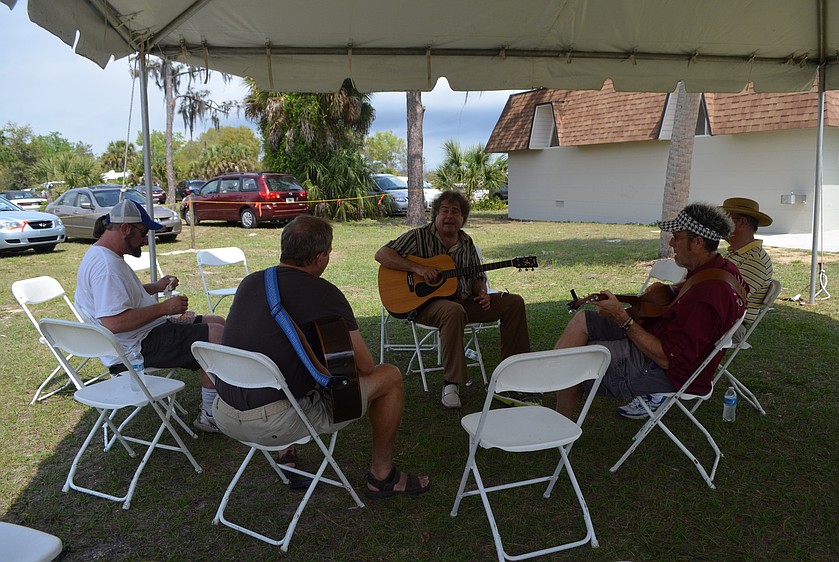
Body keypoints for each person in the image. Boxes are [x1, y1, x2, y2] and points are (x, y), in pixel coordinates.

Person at [214, 215, 430, 499]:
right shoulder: (324, 292)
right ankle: (382, 477)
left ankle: (286, 452)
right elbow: (365, 366)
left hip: (225, 412)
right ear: (320, 257)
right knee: (389, 376)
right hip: (273, 423)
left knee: (280, 360)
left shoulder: (251, 282)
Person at [554, 202, 747, 420]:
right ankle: (553, 386)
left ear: (698, 243)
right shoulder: (721, 269)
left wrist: (622, 318)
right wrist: (671, 292)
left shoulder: (707, 296)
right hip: (658, 336)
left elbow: (667, 359)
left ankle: (559, 420)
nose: (672, 243)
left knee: (578, 356)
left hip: (666, 372)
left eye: (677, 237)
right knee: (583, 321)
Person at [74, 200, 226, 433]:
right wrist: (164, 308)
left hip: (142, 335)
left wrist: (155, 287)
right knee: (215, 335)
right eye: (143, 233)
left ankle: (223, 396)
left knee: (218, 322)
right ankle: (210, 415)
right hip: (134, 349)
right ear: (125, 228)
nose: (145, 240)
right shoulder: (106, 267)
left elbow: (120, 298)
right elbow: (113, 323)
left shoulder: (104, 255)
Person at [374, 190, 534, 409]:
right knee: (453, 311)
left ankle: (514, 375)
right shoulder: (418, 236)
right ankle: (451, 383)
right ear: (436, 215)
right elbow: (382, 254)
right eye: (444, 211)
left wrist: (481, 291)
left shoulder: (466, 241)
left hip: (464, 300)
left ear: (463, 219)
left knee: (513, 302)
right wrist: (418, 268)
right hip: (426, 305)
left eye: (455, 212)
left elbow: (476, 275)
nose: (449, 216)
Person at [719, 197, 774, 329]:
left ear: (742, 222)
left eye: (724, 220)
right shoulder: (736, 253)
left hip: (729, 325)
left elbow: (729, 299)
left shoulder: (755, 260)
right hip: (720, 318)